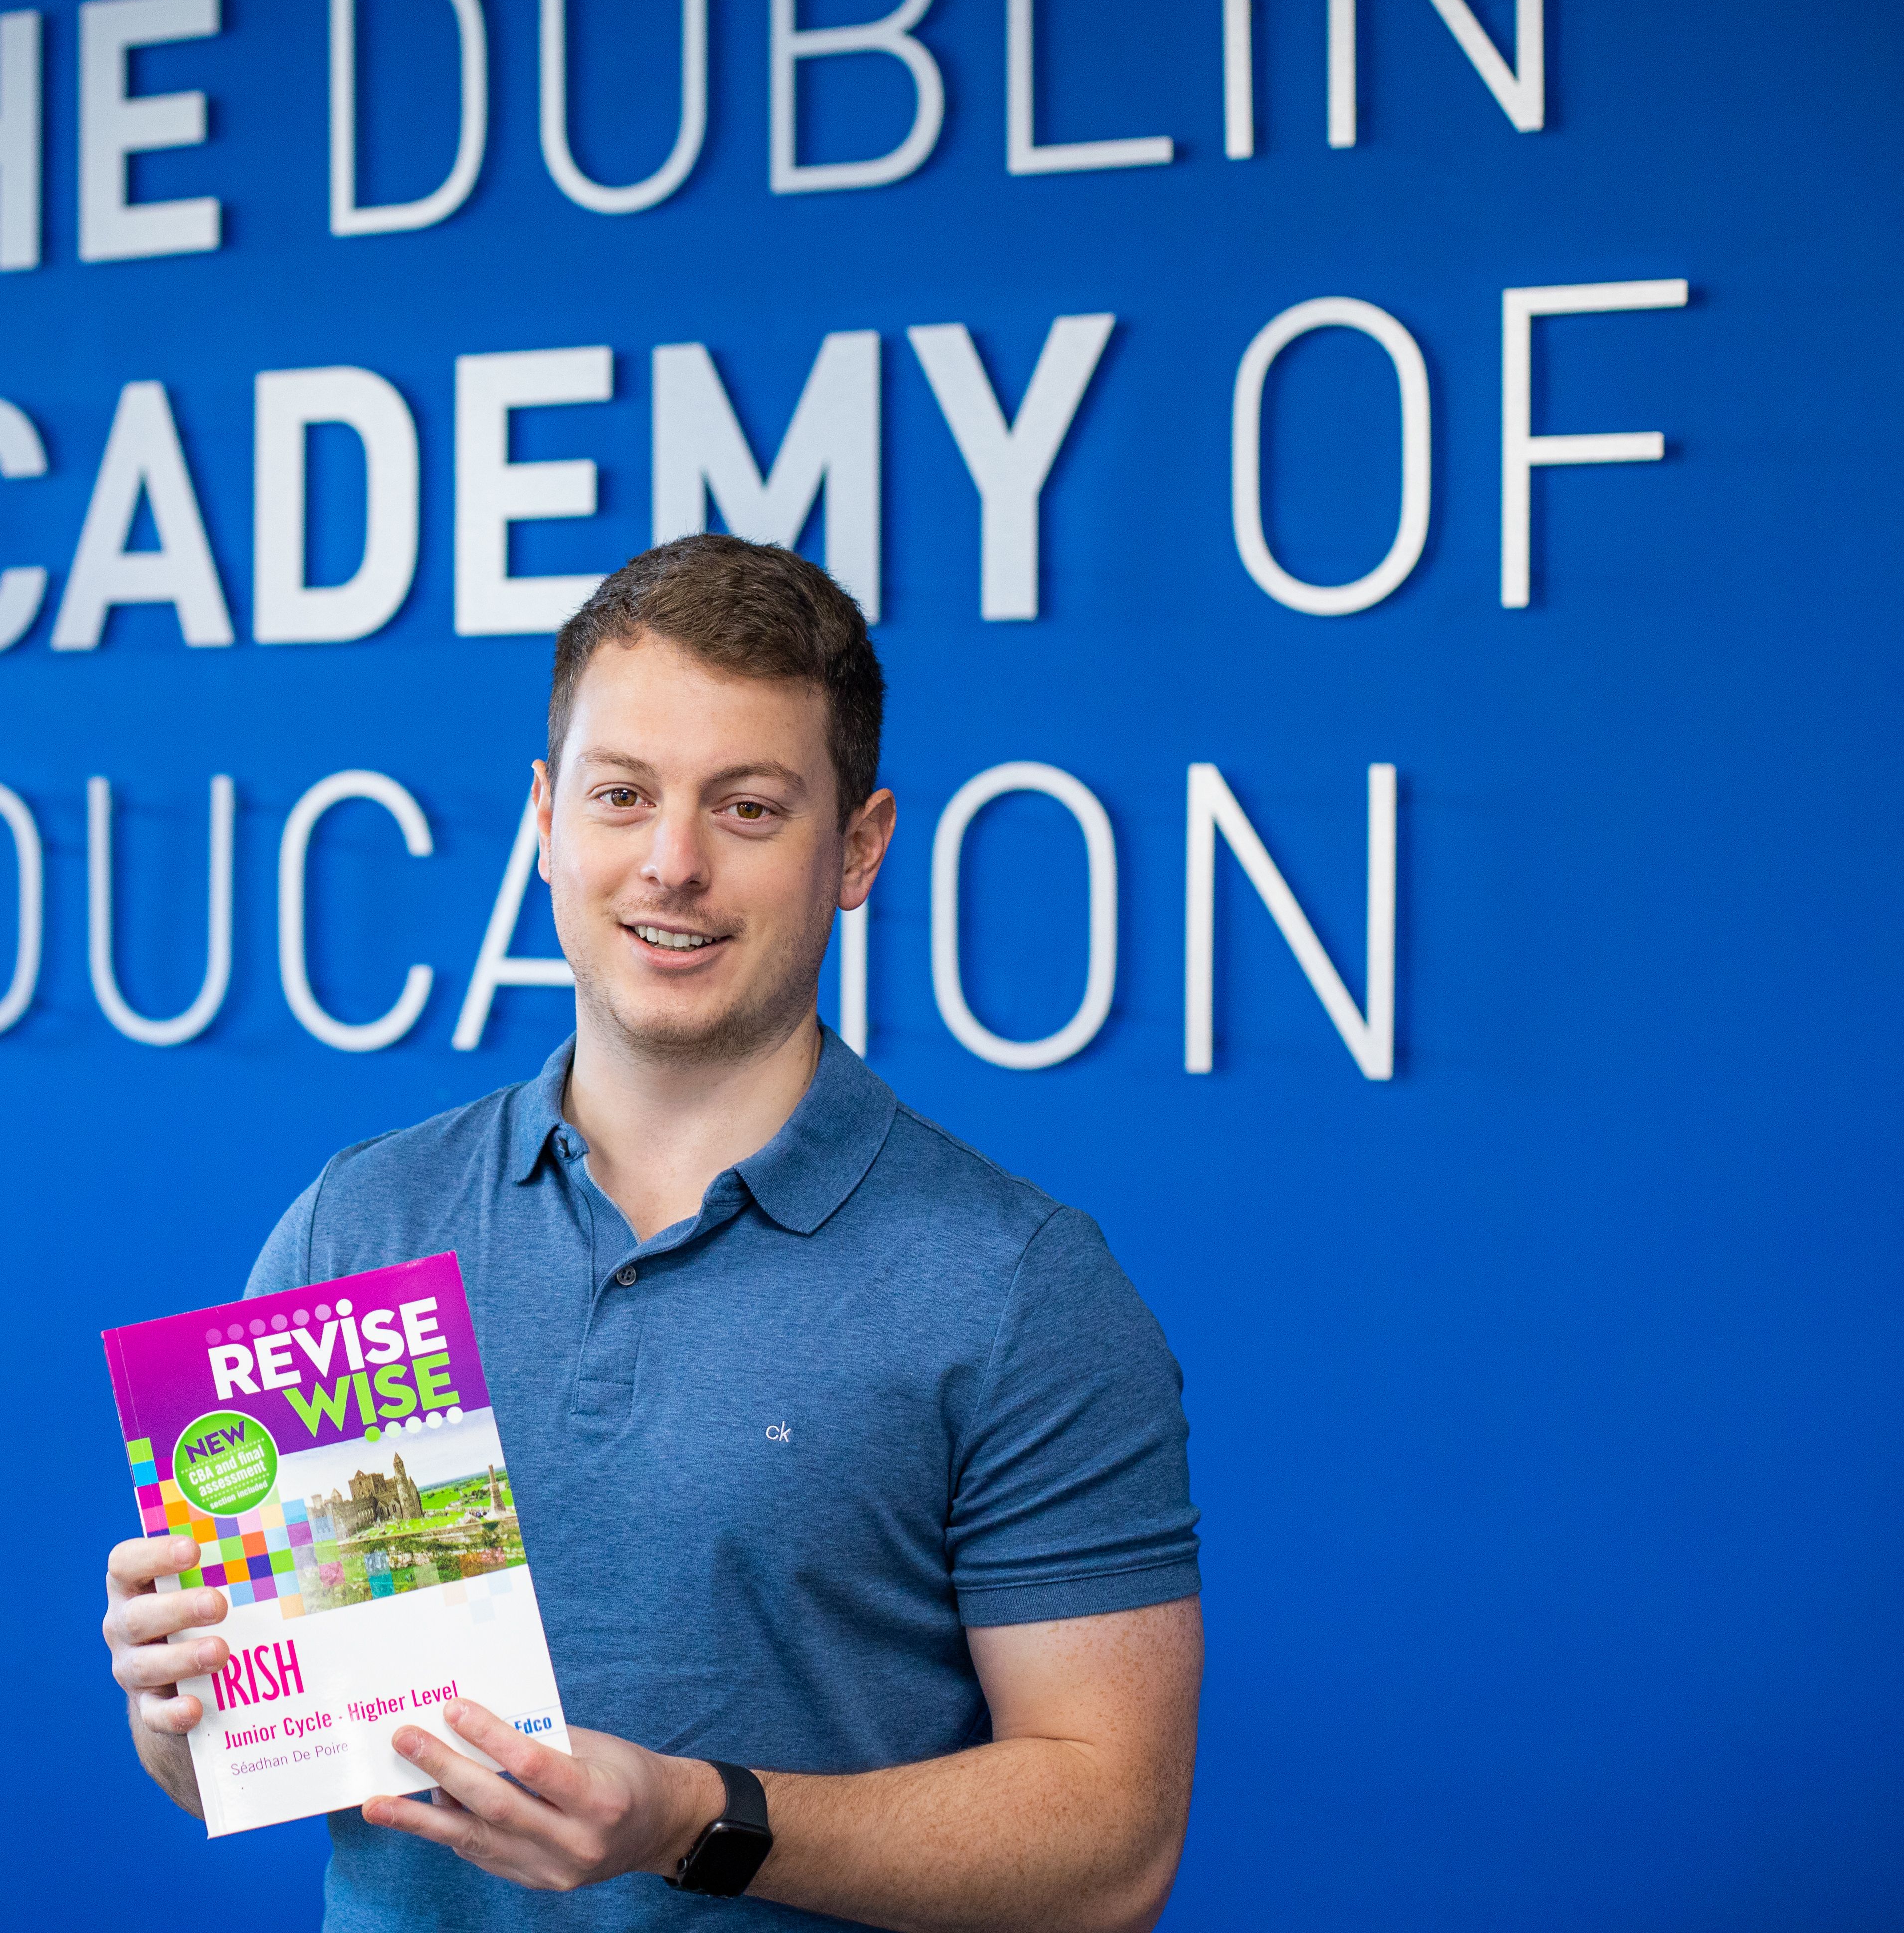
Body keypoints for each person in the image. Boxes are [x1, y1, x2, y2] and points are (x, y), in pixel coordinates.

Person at [101, 533, 1201, 1932]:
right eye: (623, 796)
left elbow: (1112, 1850)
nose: (672, 866)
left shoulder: (1018, 1289)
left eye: (748, 809)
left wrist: (697, 1819)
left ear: (858, 849)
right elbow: (234, 1766)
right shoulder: (360, 1225)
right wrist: (180, 1704)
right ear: (547, 819)